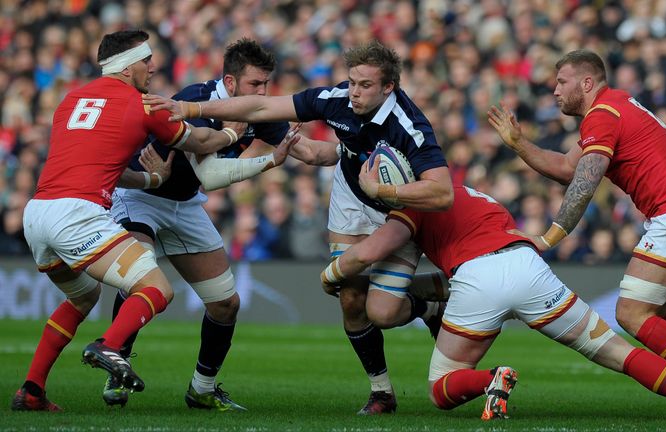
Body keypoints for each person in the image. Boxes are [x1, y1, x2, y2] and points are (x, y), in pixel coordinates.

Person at [145, 40, 454, 414]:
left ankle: (426, 307)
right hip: (351, 200)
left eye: (365, 86)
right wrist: (191, 107)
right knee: (351, 297)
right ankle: (382, 393)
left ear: (389, 87)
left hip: (399, 209)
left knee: (384, 313)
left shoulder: (411, 127)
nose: (354, 92)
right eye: (352, 81)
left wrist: (383, 189)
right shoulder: (336, 99)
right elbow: (262, 108)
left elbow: (442, 192)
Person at [320, 181, 666, 422]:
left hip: (478, 280)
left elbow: (372, 253)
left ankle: (492, 378)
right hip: (527, 266)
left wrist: (331, 275)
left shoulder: (411, 207)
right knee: (619, 353)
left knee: (440, 388)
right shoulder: (470, 191)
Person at [487, 49, 666, 421]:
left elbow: (584, 186)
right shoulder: (613, 105)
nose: (554, 90)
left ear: (587, 83)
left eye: (562, 82)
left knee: (632, 312)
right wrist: (519, 144)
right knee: (659, 306)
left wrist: (548, 238)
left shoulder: (603, 116)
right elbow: (565, 168)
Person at [11, 30, 250, 411]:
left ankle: (32, 391)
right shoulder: (145, 105)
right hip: (78, 214)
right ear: (126, 66)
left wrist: (151, 180)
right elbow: (200, 144)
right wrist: (230, 133)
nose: (152, 67)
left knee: (83, 296)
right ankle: (108, 346)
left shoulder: (69, 101)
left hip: (38, 213)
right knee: (157, 289)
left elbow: (104, 164)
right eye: (146, 60)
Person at [104, 38, 310, 411]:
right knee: (140, 278)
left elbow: (309, 150)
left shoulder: (259, 111)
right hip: (142, 196)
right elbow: (211, 174)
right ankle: (115, 364)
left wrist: (349, 149)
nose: (262, 93)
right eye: (254, 85)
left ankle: (202, 388)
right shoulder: (194, 99)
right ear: (230, 84)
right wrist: (267, 161)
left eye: (265, 85)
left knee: (226, 304)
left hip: (185, 204)